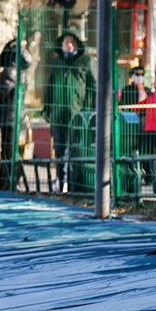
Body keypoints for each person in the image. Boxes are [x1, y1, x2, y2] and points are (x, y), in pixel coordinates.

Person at [43, 32, 95, 192]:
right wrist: (47, 110)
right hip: (58, 116)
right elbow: (49, 88)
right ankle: (61, 182)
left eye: (72, 42)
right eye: (66, 42)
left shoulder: (86, 62)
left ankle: (75, 185)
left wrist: (90, 111)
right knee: (59, 151)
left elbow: (93, 87)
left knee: (77, 151)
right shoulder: (56, 63)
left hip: (78, 116)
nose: (69, 45)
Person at [0, 39, 32, 191]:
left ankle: (6, 186)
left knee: (8, 154)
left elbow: (0, 95)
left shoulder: (10, 72)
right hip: (16, 118)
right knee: (12, 153)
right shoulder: (21, 73)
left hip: (9, 119)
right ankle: (9, 184)